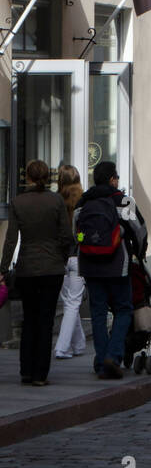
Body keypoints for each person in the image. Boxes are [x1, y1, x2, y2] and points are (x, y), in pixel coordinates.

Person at [0, 160, 74, 386]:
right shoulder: (56, 201)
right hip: (52, 268)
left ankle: (26, 370)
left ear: (28, 178)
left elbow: (11, 239)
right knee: (46, 320)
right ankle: (40, 374)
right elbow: (65, 235)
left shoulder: (18, 202)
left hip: (27, 268)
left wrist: (3, 268)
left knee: (29, 319)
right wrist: (61, 257)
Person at [76, 161, 147, 381]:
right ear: (112, 180)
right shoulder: (124, 201)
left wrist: (85, 245)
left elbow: (76, 233)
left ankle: (100, 361)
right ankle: (113, 356)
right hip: (118, 266)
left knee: (98, 314)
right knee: (123, 310)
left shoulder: (83, 202)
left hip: (89, 265)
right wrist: (139, 251)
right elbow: (140, 230)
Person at [54, 164, 87, 360]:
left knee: (68, 301)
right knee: (72, 303)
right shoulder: (83, 202)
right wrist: (80, 240)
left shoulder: (55, 200)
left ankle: (79, 343)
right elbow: (82, 233)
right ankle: (62, 347)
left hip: (59, 256)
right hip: (78, 257)